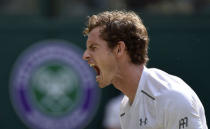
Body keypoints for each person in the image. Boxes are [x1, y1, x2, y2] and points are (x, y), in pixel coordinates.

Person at [82, 10, 208, 129]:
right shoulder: (125, 107)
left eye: (93, 47)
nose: (85, 55)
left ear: (119, 49)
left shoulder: (171, 97)